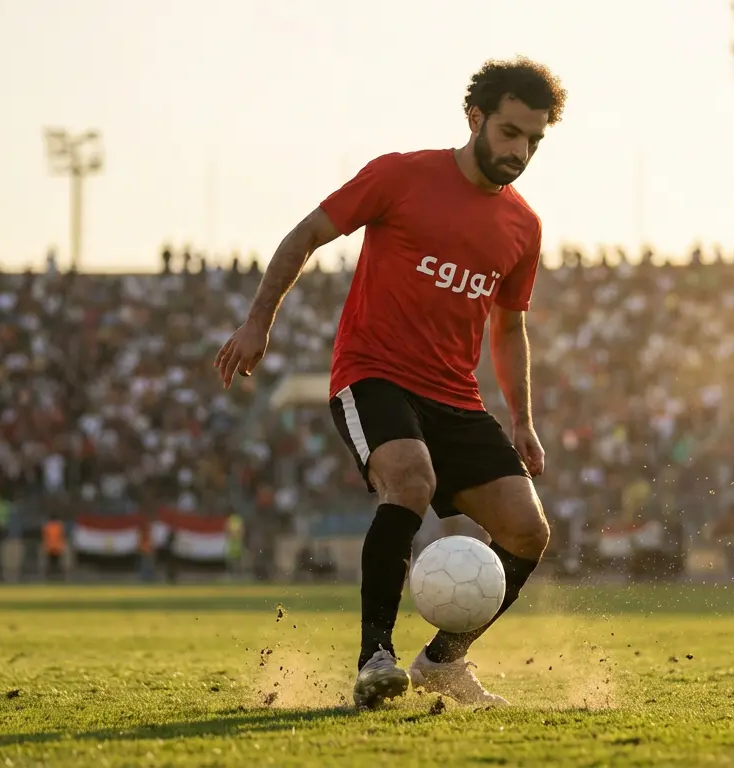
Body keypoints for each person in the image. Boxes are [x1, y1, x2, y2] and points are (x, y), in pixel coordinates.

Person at [215, 57, 567, 710]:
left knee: (527, 532)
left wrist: (522, 420)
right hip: (373, 375)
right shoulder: (400, 176)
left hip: (457, 397)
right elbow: (306, 234)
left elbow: (510, 327)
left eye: (534, 141)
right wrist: (257, 322)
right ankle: (373, 657)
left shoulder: (524, 227)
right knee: (411, 479)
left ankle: (442, 662)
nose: (521, 151)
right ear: (476, 119)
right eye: (511, 133)